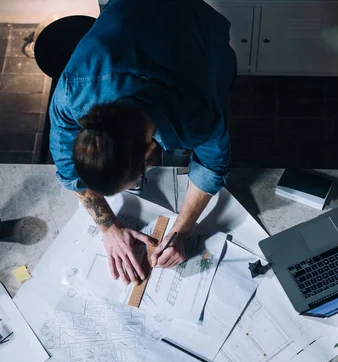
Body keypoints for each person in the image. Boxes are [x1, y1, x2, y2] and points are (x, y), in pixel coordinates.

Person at [49, 0, 237, 285]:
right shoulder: (73, 93)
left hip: (191, 26)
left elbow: (212, 165)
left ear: (150, 150)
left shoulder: (196, 113)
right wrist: (109, 227)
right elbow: (68, 170)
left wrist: (182, 231)